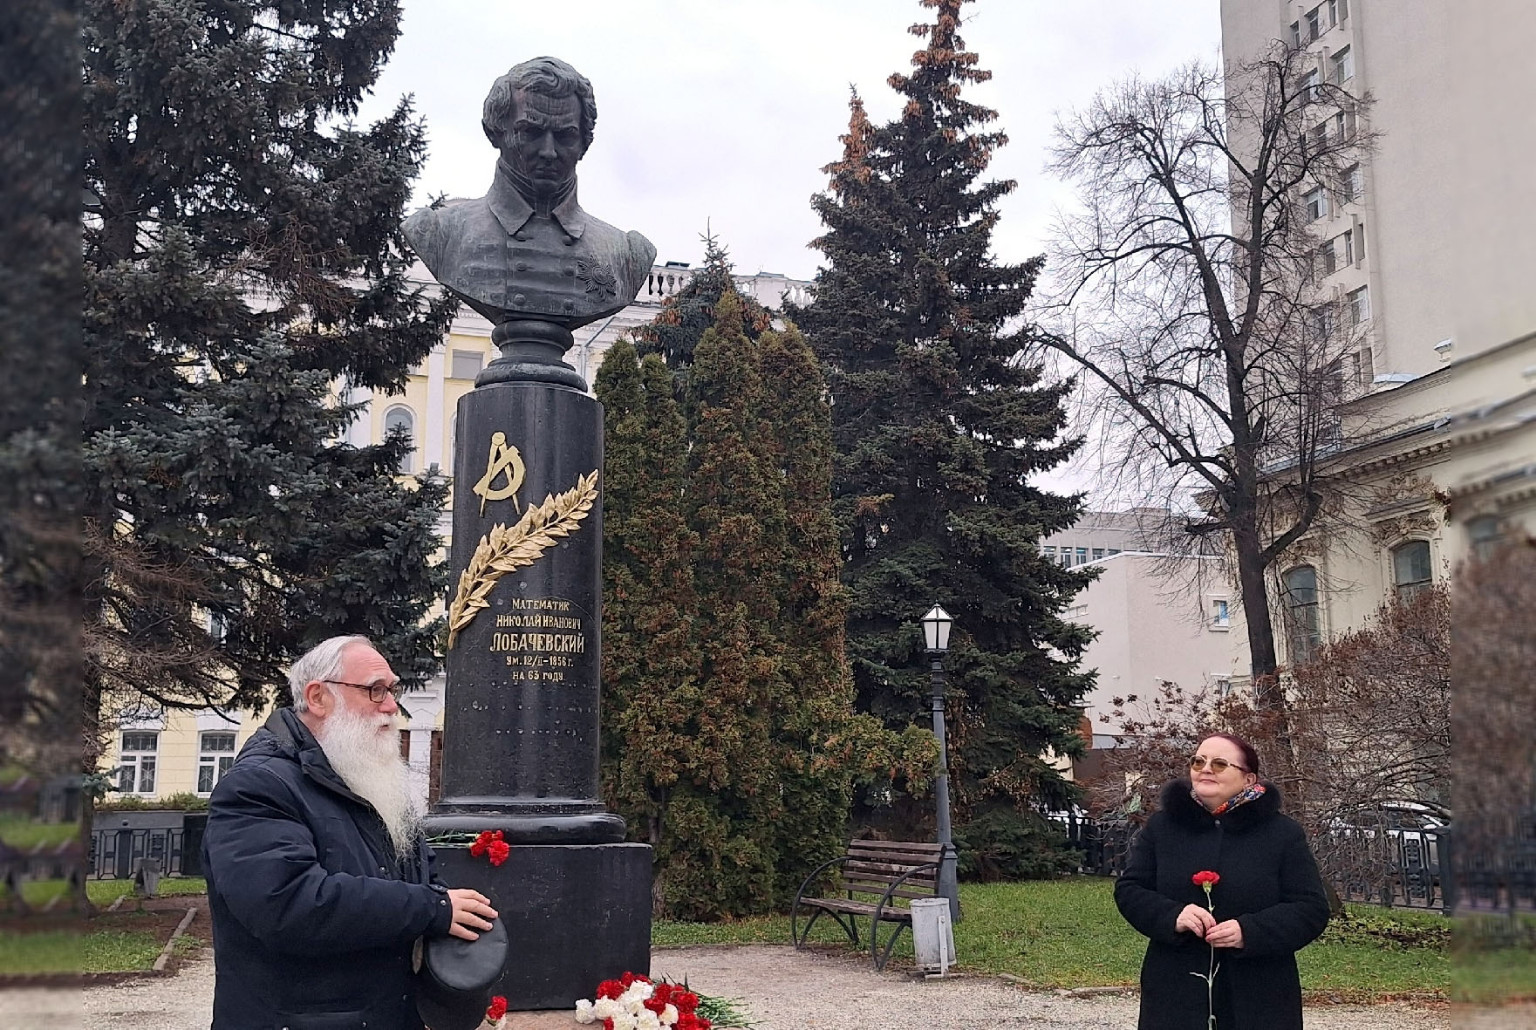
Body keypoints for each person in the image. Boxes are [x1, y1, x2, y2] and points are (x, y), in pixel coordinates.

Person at [204, 635, 499, 1030]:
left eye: (392, 690)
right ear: (318, 697)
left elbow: (422, 878)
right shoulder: (258, 786)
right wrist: (432, 909)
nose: (391, 706)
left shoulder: (369, 781)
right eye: (375, 690)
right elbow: (288, 905)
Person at [402, 56, 656, 329]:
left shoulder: (627, 255)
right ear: (495, 132)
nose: (549, 151)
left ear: (584, 142)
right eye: (531, 131)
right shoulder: (440, 234)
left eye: (565, 135)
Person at [1114, 733, 1330, 1030]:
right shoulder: (1162, 827)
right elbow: (1130, 890)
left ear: (1248, 779)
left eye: (1219, 764)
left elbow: (1310, 909)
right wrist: (1173, 915)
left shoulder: (1282, 833)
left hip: (1259, 993)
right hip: (1176, 990)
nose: (1205, 769)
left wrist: (1249, 931)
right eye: (1198, 762)